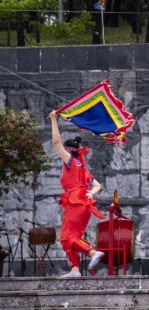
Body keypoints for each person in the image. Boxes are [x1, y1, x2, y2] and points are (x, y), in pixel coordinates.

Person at [49, 111, 105, 277]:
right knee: (72, 238)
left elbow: (56, 141)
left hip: (75, 203)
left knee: (66, 238)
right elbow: (97, 185)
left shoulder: (71, 162)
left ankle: (92, 252)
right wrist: (90, 193)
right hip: (83, 204)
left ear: (68, 151)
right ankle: (74, 269)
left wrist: (54, 119)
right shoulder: (82, 167)